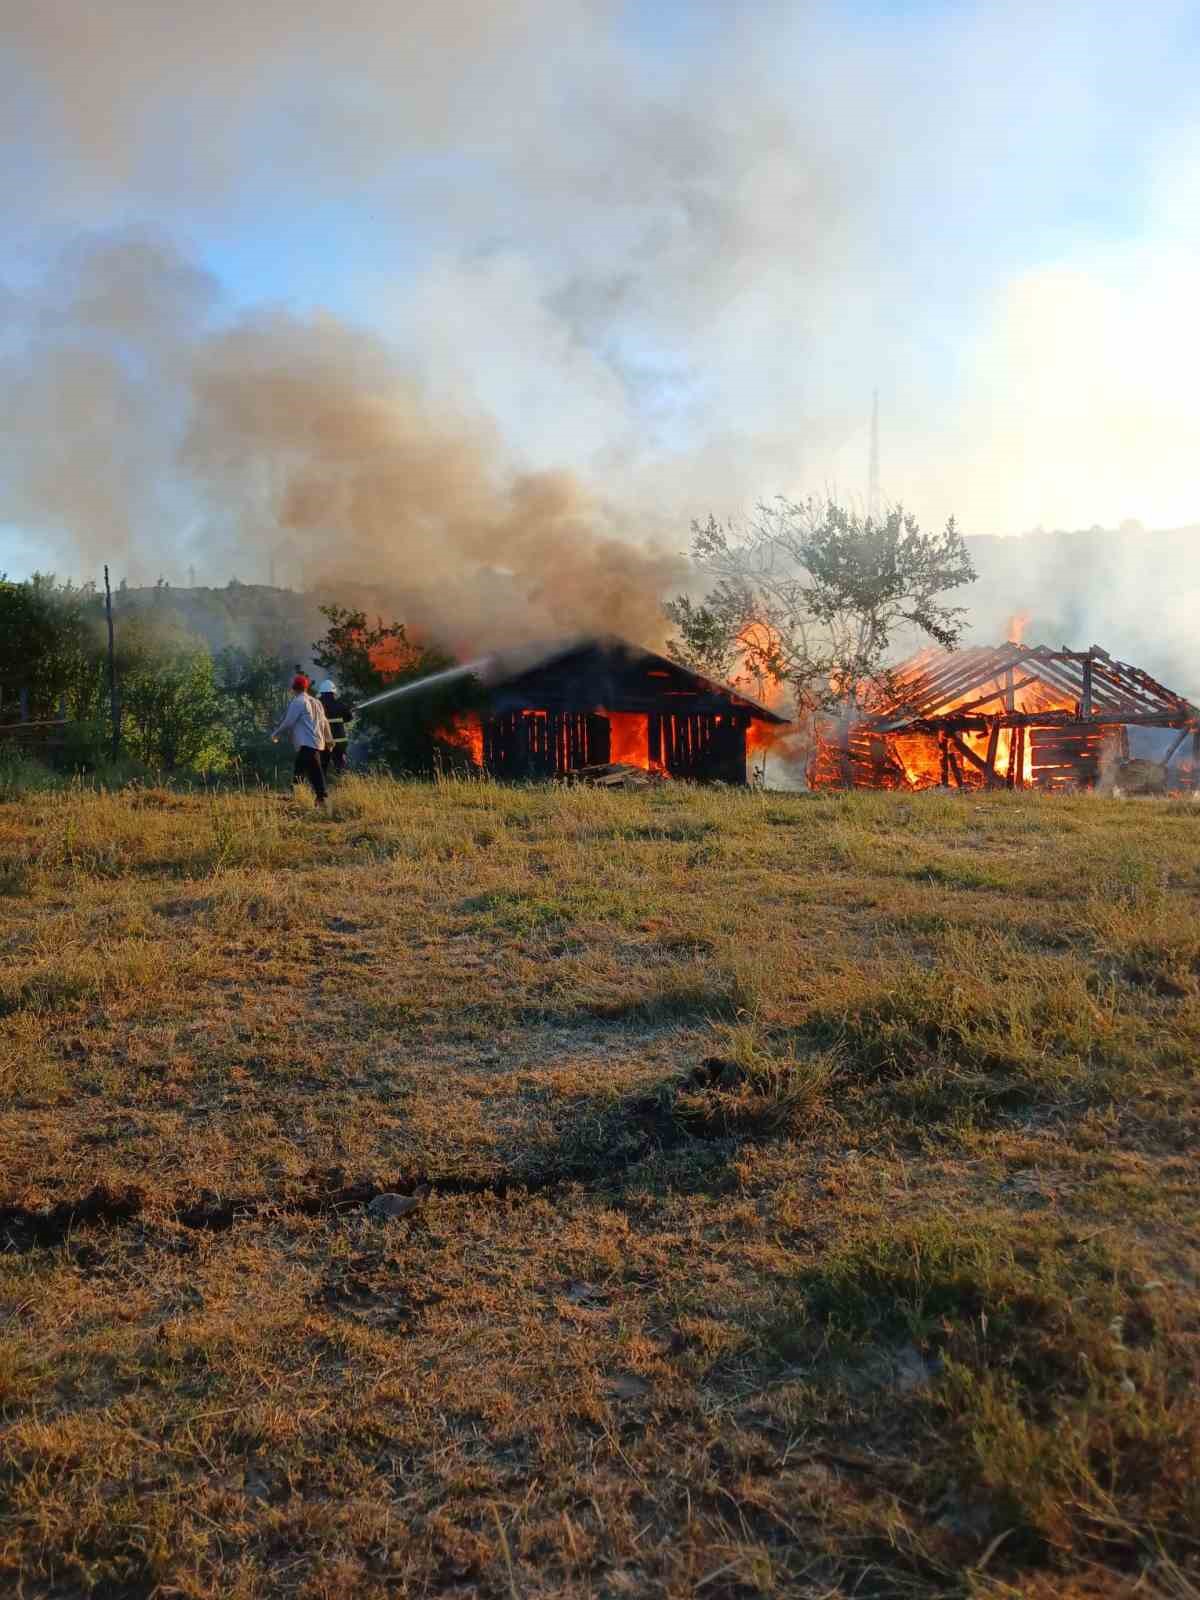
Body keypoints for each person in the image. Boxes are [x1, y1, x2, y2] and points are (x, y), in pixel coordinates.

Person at [272, 674, 333, 805]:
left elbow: (288, 722)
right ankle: (321, 799)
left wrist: (275, 733)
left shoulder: (298, 701)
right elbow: (325, 722)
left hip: (307, 743)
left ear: (294, 688)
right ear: (306, 688)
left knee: (300, 770)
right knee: (314, 771)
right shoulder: (316, 702)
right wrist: (329, 740)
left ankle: (294, 796)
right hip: (317, 743)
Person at [316, 678, 354, 777]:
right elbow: (349, 717)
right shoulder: (340, 704)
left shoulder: (317, 705)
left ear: (322, 693)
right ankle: (344, 785)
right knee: (340, 766)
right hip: (340, 741)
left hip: (324, 742)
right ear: (333, 692)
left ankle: (321, 788)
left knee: (322, 767)